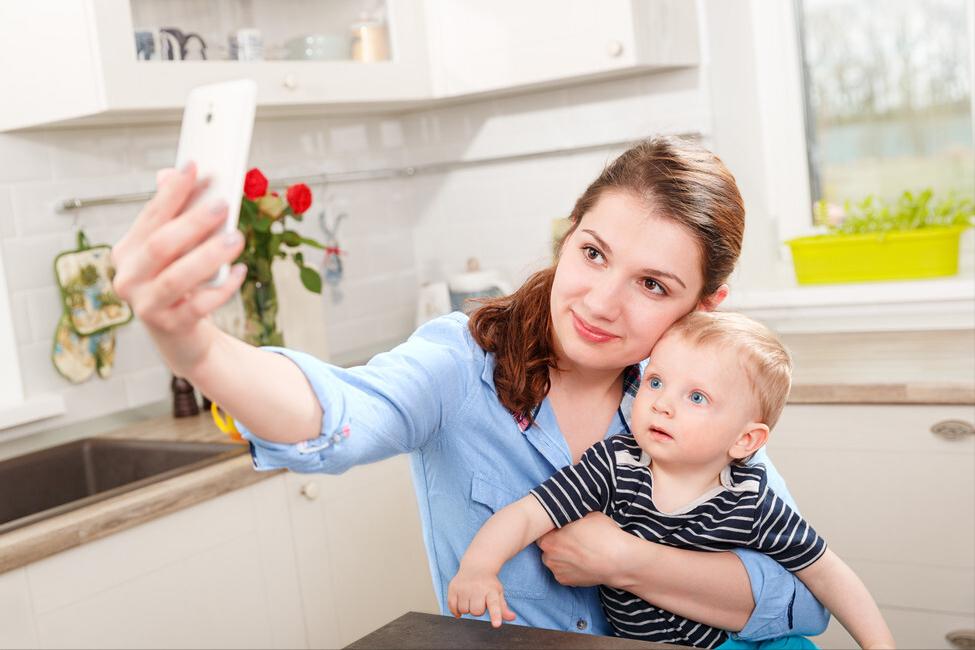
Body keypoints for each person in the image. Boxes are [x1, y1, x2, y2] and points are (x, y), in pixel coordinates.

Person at [110, 136, 829, 644]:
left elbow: (801, 599)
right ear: (566, 237)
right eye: (592, 253)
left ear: (703, 306)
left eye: (651, 284)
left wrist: (625, 561)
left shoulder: (700, 398)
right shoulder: (461, 361)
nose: (601, 302)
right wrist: (194, 344)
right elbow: (332, 417)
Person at [447, 311, 895, 649]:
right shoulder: (614, 465)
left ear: (746, 439)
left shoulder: (751, 501)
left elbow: (828, 574)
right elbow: (527, 515)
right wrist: (479, 569)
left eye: (696, 397)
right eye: (656, 382)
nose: (662, 404)